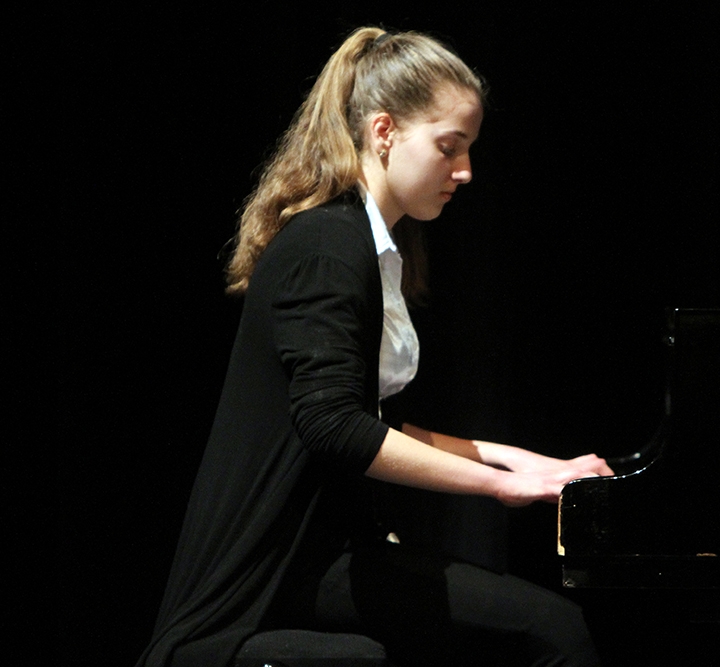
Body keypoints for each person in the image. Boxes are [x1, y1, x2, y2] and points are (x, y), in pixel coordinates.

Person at [136, 27, 613, 667]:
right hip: (269, 575)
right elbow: (333, 426)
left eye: (469, 150)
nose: (465, 171)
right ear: (384, 131)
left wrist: (526, 462)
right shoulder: (327, 245)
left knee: (534, 628)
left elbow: (375, 420)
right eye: (449, 147)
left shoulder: (366, 244)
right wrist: (502, 487)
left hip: (326, 553)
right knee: (552, 631)